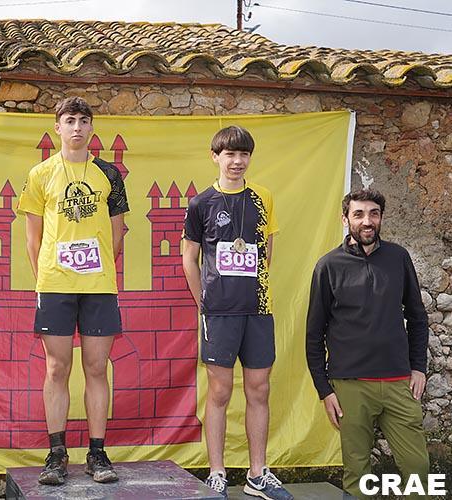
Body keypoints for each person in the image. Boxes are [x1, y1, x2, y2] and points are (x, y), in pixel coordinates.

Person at [17, 96, 129, 486]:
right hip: (55, 286)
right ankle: (56, 454)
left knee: (97, 367)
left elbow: (117, 233)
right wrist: (46, 278)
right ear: (57, 127)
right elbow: (32, 238)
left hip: (98, 286)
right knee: (56, 368)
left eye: (83, 120)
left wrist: (97, 265)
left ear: (92, 127)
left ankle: (97, 453)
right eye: (70, 120)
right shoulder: (40, 174)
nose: (77, 127)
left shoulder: (109, 174)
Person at [182, 126, 292, 500]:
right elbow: (189, 258)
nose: (237, 161)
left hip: (258, 310)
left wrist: (252, 287)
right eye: (229, 154)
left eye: (243, 154)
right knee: (220, 391)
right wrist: (204, 302)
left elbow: (266, 251)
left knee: (259, 389)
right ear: (215, 157)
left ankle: (258, 474)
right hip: (219, 313)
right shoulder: (200, 203)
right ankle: (217, 473)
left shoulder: (263, 197)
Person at [306, 189, 429, 499]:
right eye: (358, 214)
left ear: (381, 218)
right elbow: (314, 334)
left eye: (374, 214)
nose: (367, 221)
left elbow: (417, 317)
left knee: (418, 468)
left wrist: (418, 367)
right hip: (351, 386)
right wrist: (325, 390)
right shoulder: (328, 266)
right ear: (345, 219)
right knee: (357, 472)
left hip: (398, 381)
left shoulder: (398, 258)